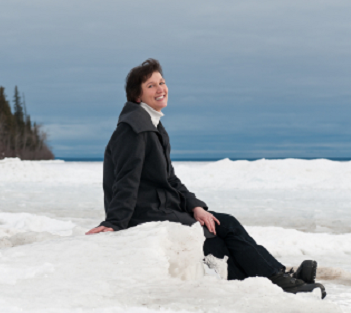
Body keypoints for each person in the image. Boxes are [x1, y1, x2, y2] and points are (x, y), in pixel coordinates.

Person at [85, 58, 326, 298]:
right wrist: (115, 221)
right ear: (137, 96)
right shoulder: (133, 129)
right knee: (213, 241)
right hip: (147, 212)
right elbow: (125, 179)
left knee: (225, 223)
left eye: (162, 82)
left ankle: (279, 277)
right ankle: (278, 283)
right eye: (151, 85)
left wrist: (196, 206)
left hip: (165, 206)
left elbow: (170, 179)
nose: (161, 89)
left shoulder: (153, 126)